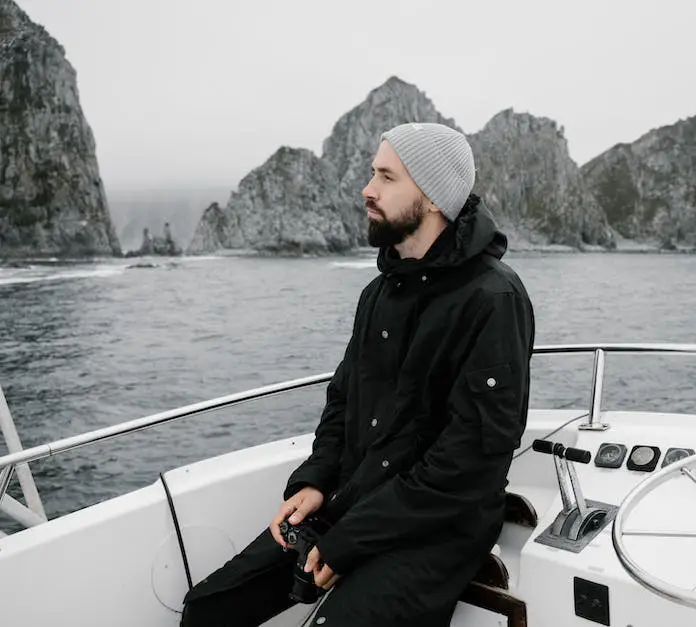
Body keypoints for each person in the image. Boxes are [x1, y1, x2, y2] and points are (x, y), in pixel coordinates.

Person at [180, 122, 536, 626]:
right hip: (354, 497)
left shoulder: (493, 300)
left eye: (386, 177)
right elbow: (343, 400)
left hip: (438, 527)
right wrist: (315, 480)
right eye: (373, 173)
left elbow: (470, 462)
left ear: (433, 197)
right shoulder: (379, 293)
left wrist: (350, 540)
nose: (368, 190)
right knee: (207, 609)